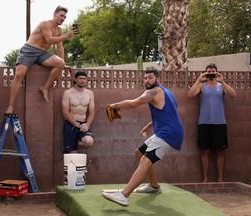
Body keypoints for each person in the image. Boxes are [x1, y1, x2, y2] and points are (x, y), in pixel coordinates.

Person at [102, 68, 183, 207]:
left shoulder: (153, 91)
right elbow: (169, 113)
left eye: (150, 78)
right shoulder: (167, 92)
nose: (147, 81)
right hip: (166, 131)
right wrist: (149, 126)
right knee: (139, 153)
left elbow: (134, 103)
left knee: (146, 159)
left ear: (158, 79)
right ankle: (154, 186)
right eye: (145, 78)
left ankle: (124, 195)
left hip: (168, 134)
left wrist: (115, 105)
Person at [5, 6, 77, 114]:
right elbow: (50, 39)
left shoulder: (59, 30)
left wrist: (63, 62)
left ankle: (44, 88)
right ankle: (10, 106)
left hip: (42, 54)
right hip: (29, 50)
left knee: (60, 64)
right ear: (55, 14)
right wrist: (68, 35)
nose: (63, 18)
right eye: (61, 15)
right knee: (20, 74)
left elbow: (59, 46)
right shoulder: (45, 23)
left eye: (65, 17)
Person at [187, 63, 236, 182]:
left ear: (216, 72)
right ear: (205, 73)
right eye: (209, 71)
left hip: (220, 123)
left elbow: (233, 95)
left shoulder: (221, 86)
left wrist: (223, 81)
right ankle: (205, 179)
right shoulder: (202, 86)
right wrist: (199, 79)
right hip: (204, 123)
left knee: (221, 151)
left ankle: (220, 179)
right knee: (205, 151)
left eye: (213, 71)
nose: (211, 73)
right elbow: (190, 94)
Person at [61, 70, 95, 153]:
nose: (82, 80)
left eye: (84, 79)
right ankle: (73, 145)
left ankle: (77, 142)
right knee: (73, 154)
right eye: (80, 78)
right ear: (75, 79)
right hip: (70, 124)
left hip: (83, 124)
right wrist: (77, 125)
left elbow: (92, 112)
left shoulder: (90, 93)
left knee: (89, 142)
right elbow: (65, 112)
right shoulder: (68, 93)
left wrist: (87, 125)